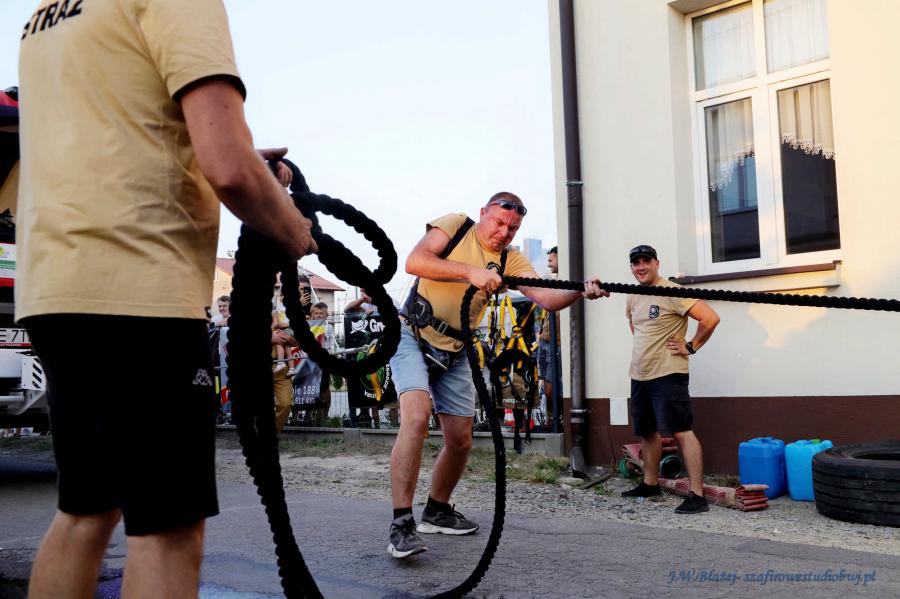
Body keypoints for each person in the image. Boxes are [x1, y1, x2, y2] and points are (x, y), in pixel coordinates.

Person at [16, 2, 316, 597]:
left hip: (56, 282)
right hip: (139, 286)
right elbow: (229, 166)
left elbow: (118, 135)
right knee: (168, 527)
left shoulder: (47, 16)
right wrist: (293, 231)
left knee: (86, 508)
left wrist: (214, 158)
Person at [386, 192, 609, 558]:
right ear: (483, 213)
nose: (505, 232)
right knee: (416, 418)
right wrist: (471, 272)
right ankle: (401, 523)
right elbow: (415, 262)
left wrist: (580, 291)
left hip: (456, 348)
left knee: (460, 440)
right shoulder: (457, 226)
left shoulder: (511, 259)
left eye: (513, 228)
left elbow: (546, 297)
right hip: (412, 334)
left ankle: (437, 511)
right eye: (499, 222)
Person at [621, 245, 720, 515]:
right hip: (640, 375)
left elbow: (710, 318)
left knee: (681, 431)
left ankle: (697, 495)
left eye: (646, 261)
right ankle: (650, 484)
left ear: (657, 264)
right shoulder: (633, 296)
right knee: (647, 431)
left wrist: (691, 346)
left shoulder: (672, 291)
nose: (641, 267)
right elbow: (636, 327)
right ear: (632, 267)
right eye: (636, 263)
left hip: (668, 374)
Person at [536, 246, 562, 427]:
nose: (548, 264)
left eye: (551, 260)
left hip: (556, 344)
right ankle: (552, 418)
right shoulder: (554, 283)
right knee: (545, 385)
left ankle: (556, 419)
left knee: (552, 387)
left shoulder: (564, 284)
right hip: (544, 341)